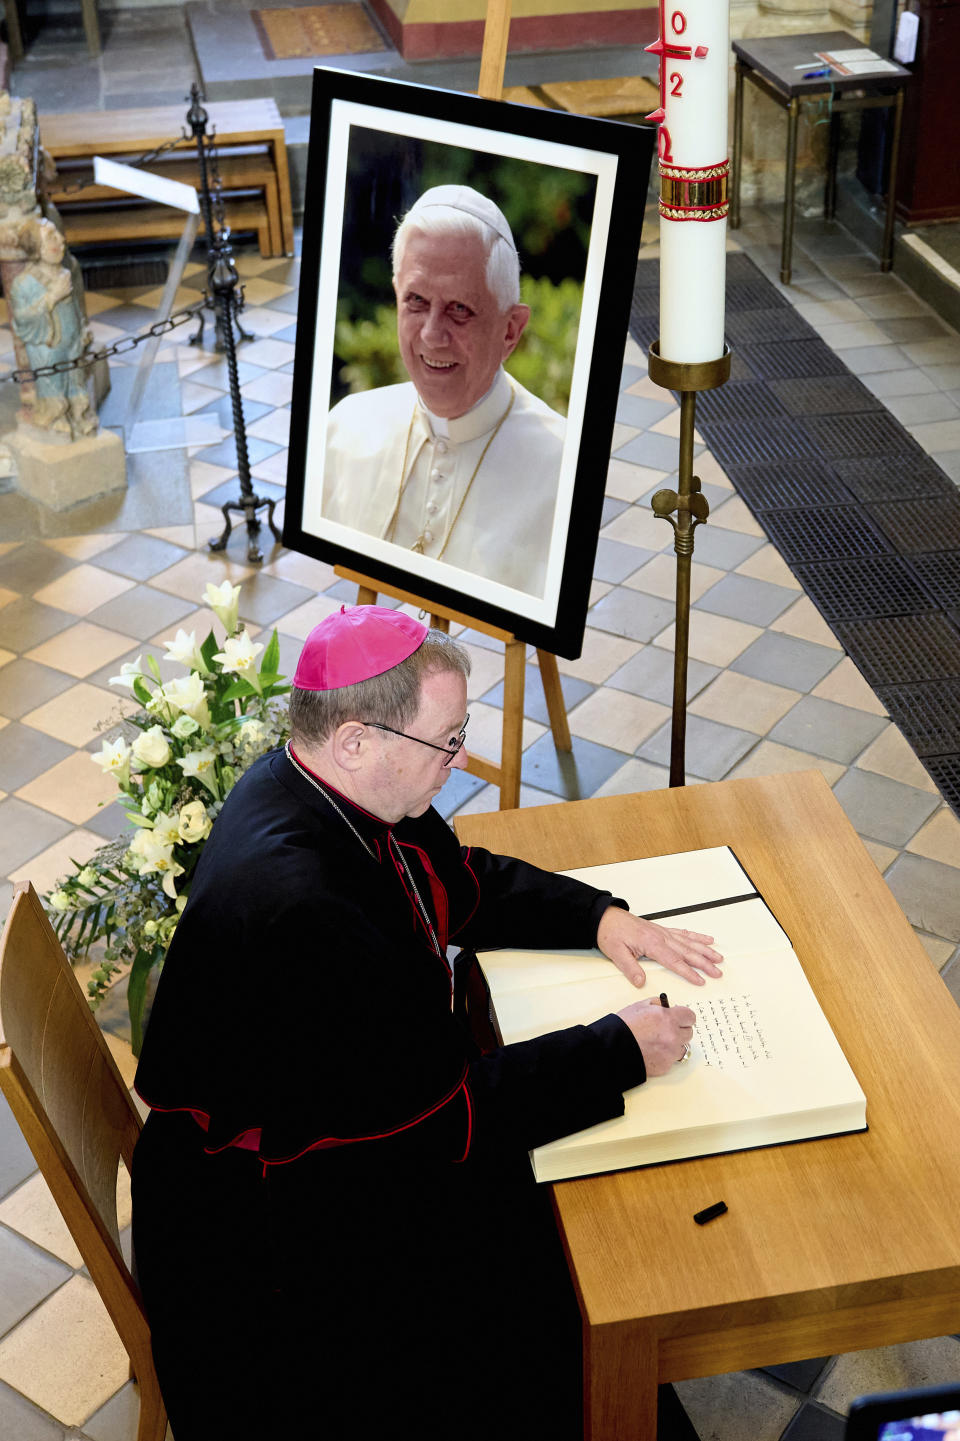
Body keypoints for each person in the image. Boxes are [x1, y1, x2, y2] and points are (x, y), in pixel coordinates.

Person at [132, 605, 723, 1441]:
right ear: (355, 740)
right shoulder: (304, 909)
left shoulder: (319, 788)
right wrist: (616, 1049)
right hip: (274, 1259)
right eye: (448, 739)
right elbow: (443, 1121)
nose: (459, 757)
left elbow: (456, 882)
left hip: (340, 1157)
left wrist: (595, 915)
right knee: (561, 1289)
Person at [322, 185, 567, 597]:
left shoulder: (563, 468)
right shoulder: (344, 427)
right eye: (416, 301)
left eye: (460, 310)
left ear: (510, 331)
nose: (433, 336)